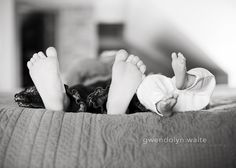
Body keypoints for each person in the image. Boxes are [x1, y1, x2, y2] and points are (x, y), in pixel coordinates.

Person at [19, 47, 215, 117]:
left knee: (75, 89)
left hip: (94, 88)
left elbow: (74, 75)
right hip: (128, 89)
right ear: (103, 58)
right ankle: (114, 105)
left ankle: (61, 101)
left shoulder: (91, 66)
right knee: (144, 87)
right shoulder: (101, 64)